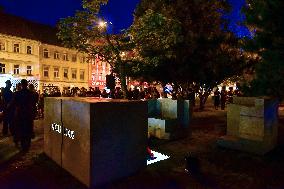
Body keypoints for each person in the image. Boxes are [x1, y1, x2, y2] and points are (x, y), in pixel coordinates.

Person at [10, 79, 35, 151]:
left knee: (20, 128)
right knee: (29, 128)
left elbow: (13, 103)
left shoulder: (17, 93)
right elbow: (33, 103)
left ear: (21, 84)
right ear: (26, 84)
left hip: (20, 113)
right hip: (28, 113)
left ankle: (22, 142)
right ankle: (27, 143)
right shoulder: (31, 93)